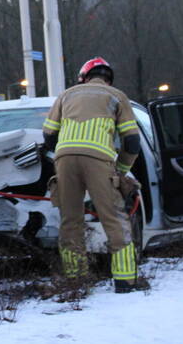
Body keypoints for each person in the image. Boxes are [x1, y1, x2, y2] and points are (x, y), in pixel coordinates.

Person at [42, 57, 141, 293]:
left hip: (65, 159)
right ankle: (126, 280)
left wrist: (61, 155)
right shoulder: (117, 96)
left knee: (70, 220)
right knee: (114, 218)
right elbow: (133, 141)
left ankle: (76, 278)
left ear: (83, 77)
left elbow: (48, 134)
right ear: (108, 78)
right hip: (100, 159)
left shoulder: (66, 95)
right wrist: (122, 171)